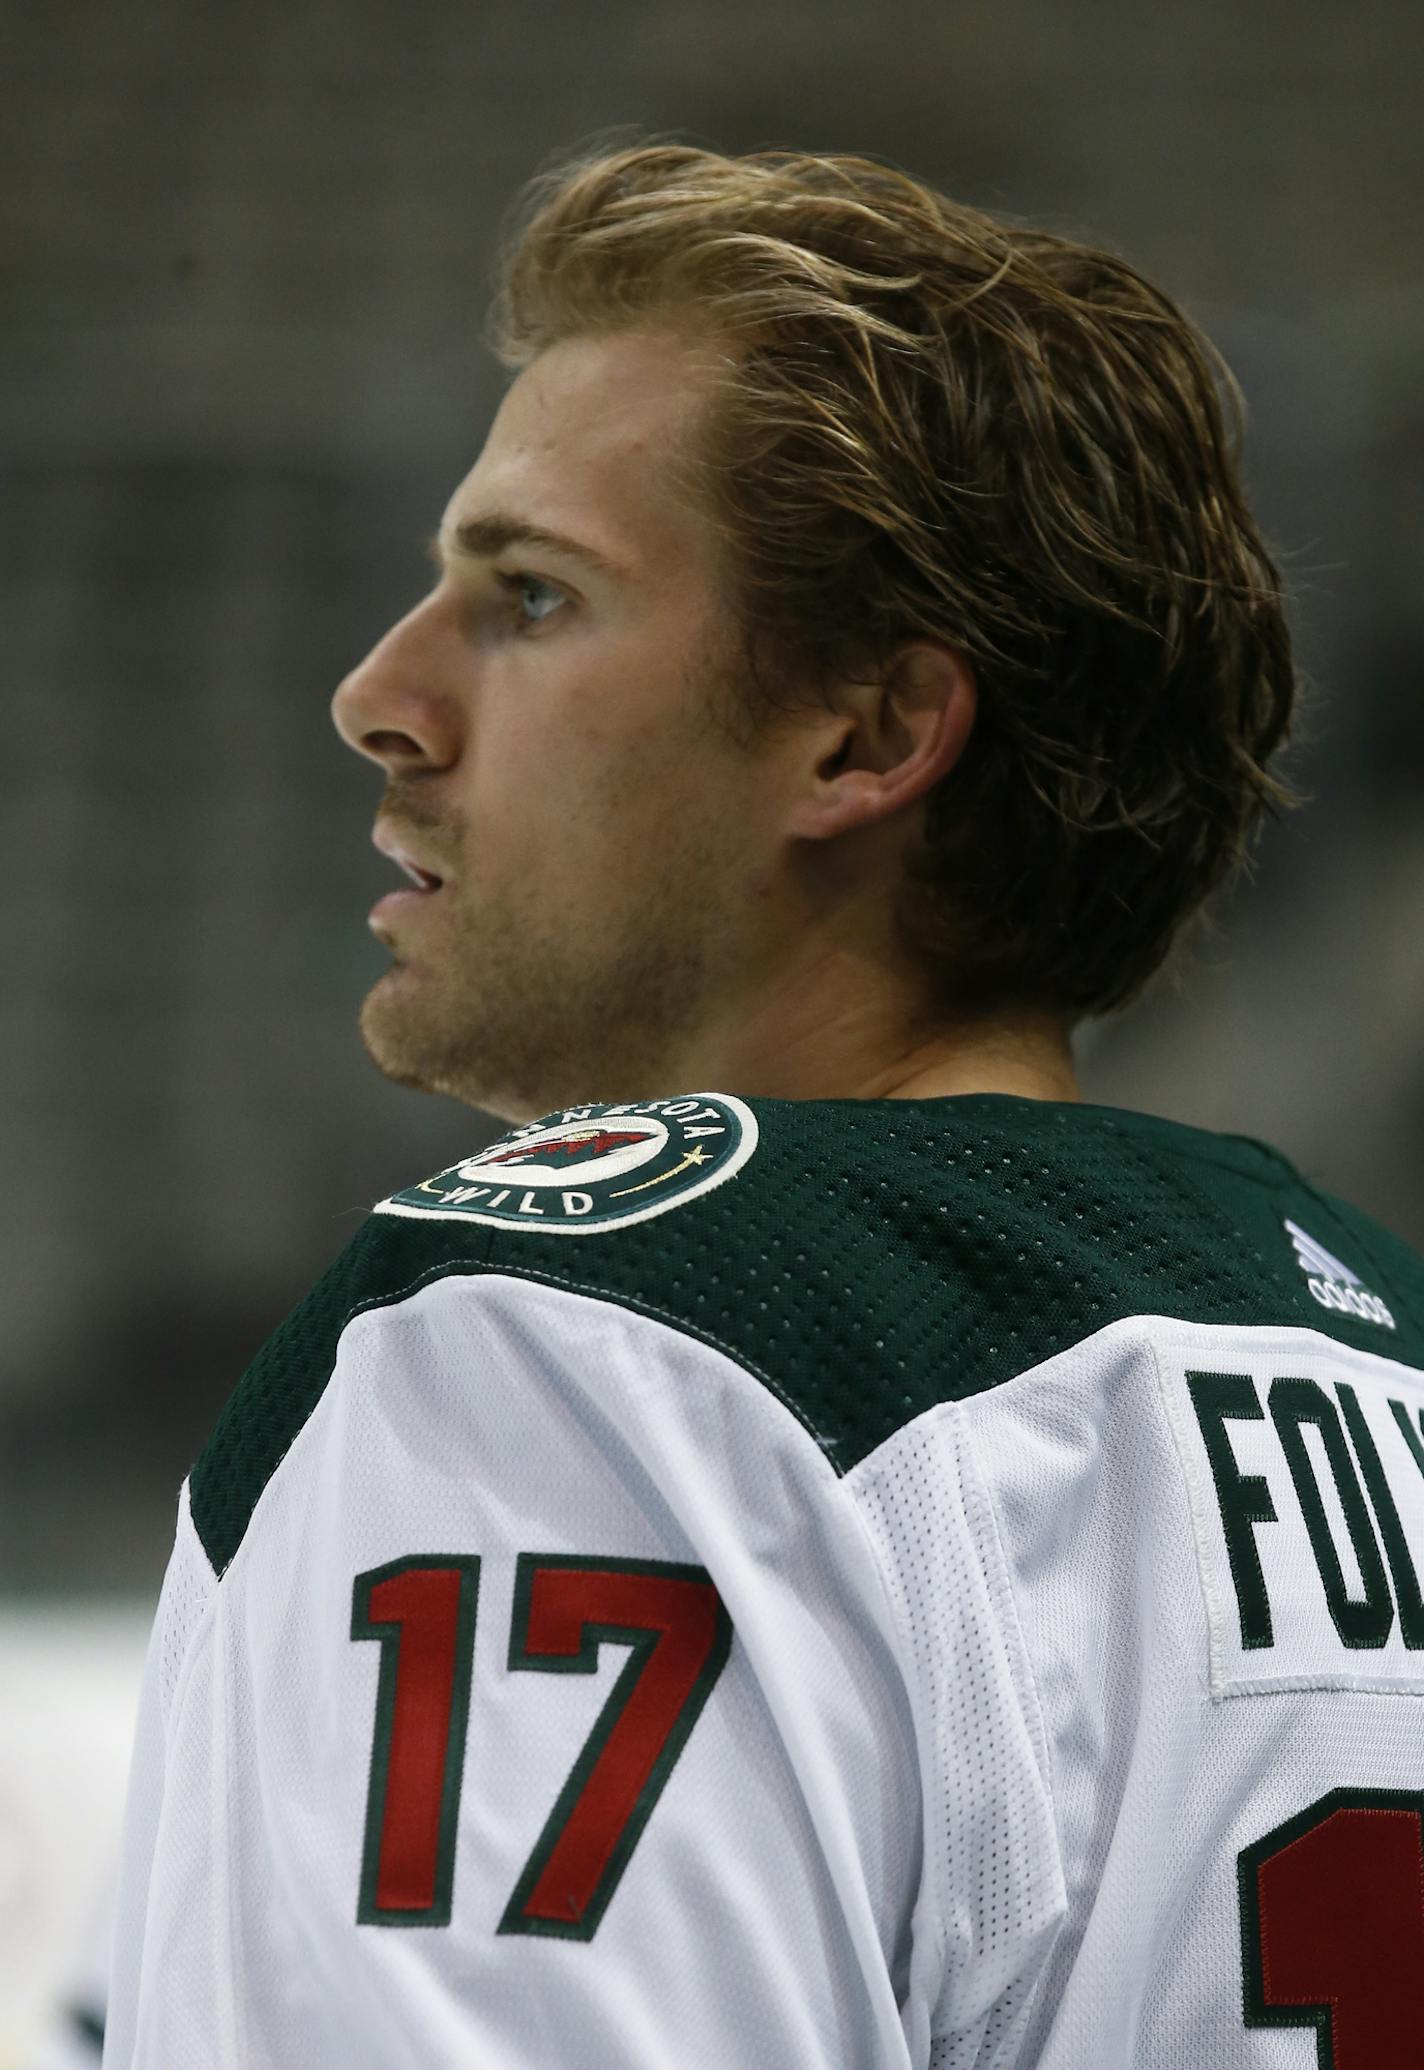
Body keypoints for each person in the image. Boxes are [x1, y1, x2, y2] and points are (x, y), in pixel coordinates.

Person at [102, 137, 1424, 2069]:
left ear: (868, 732)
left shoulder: (581, 1336)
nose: (380, 697)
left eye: (532, 597)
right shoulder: (1378, 1342)